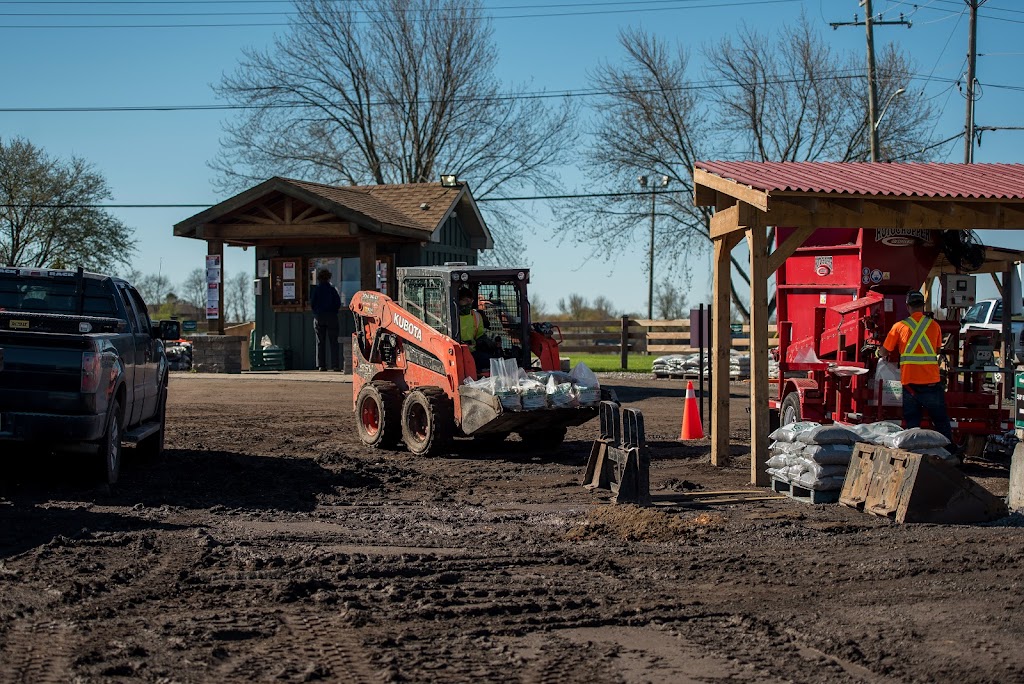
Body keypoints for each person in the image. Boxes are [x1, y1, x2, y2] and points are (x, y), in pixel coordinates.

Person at [878, 290, 952, 442]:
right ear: (923, 306)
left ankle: (915, 453)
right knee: (941, 421)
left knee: (913, 425)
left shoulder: (899, 327)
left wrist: (877, 352)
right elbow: (937, 350)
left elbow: (885, 351)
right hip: (931, 381)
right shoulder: (934, 326)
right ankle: (949, 452)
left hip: (910, 383)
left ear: (907, 306)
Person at [310, 269, 342, 371]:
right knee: (333, 342)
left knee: (320, 342)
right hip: (331, 316)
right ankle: (335, 365)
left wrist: (317, 312)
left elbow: (312, 303)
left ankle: (321, 365)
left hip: (319, 317)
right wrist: (333, 310)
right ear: (329, 278)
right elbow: (338, 303)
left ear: (319, 278)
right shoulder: (332, 290)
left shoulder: (316, 290)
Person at [457, 286, 491, 372]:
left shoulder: (476, 316)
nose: (468, 304)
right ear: (459, 301)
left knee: (487, 359)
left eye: (470, 301)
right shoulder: (450, 316)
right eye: (465, 301)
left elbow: (480, 334)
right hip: (455, 352)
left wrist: (487, 342)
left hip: (471, 352)